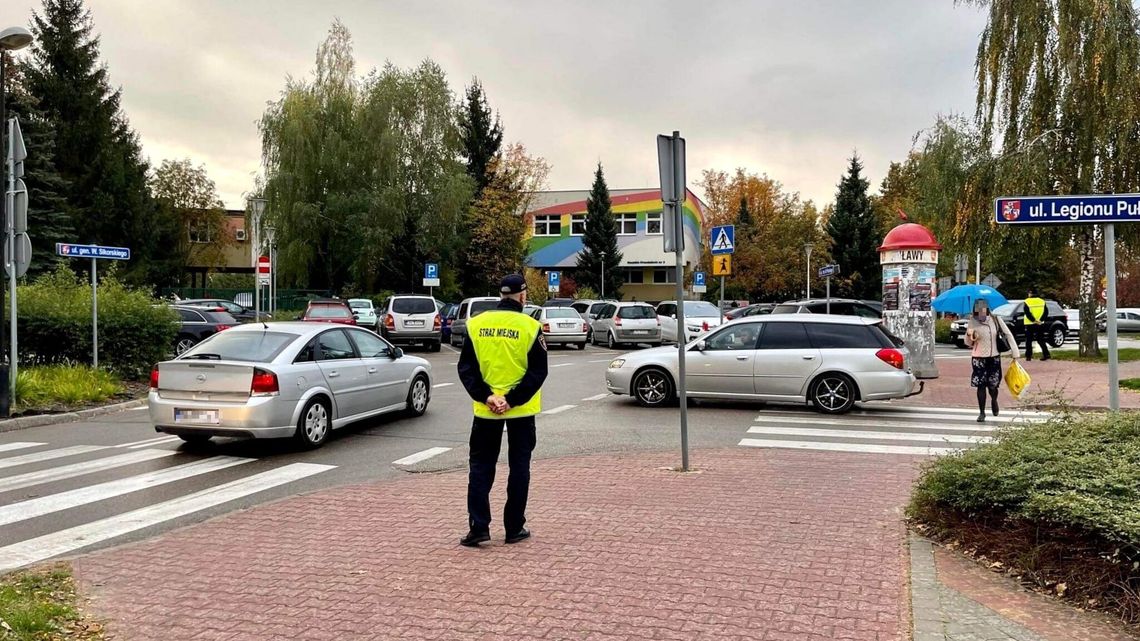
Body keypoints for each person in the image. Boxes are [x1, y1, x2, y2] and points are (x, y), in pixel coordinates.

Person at [457, 274, 548, 547]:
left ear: (500, 295)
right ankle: (514, 528)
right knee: (519, 467)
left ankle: (479, 527)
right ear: (522, 295)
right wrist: (512, 399)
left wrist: (488, 397)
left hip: (486, 411)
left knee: (481, 467)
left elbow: (466, 369)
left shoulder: (476, 325)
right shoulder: (531, 327)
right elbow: (538, 372)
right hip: (520, 411)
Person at [965, 299, 1020, 422]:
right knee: (981, 385)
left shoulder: (995, 319)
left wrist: (1015, 353)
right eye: (978, 310)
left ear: (987, 309)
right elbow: (968, 343)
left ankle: (994, 400)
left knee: (993, 386)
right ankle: (982, 412)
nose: (981, 313)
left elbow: (1008, 334)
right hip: (978, 358)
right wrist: (970, 335)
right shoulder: (972, 321)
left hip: (994, 357)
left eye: (983, 310)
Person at [1022, 288, 1051, 361]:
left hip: (1029, 323)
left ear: (1030, 294)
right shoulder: (1042, 301)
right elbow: (1046, 312)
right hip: (1040, 324)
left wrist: (1033, 320)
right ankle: (1046, 354)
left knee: (1029, 340)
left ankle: (1028, 356)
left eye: (1029, 293)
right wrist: (1040, 320)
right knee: (1041, 339)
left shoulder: (1027, 301)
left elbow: (1027, 313)